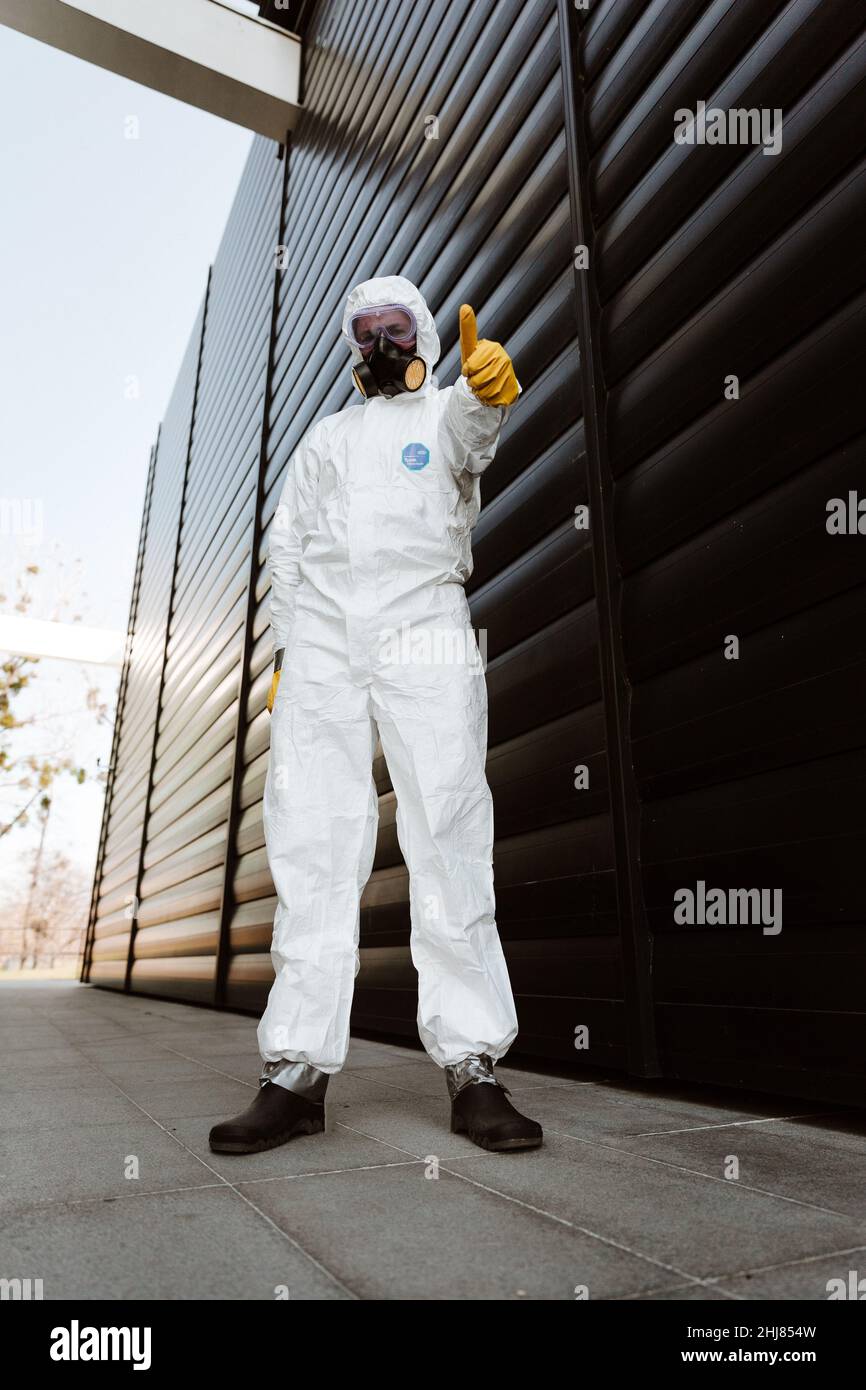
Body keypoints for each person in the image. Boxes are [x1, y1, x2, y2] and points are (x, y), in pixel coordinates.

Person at [209, 276, 542, 1155]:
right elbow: (288, 543)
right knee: (312, 845)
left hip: (425, 625)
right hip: (323, 643)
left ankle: (473, 1067)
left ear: (424, 334)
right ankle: (295, 1074)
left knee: (448, 827)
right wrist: (291, 648)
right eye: (364, 333)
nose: (380, 345)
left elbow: (473, 439)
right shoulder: (326, 437)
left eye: (395, 329)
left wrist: (483, 391)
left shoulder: (444, 414)